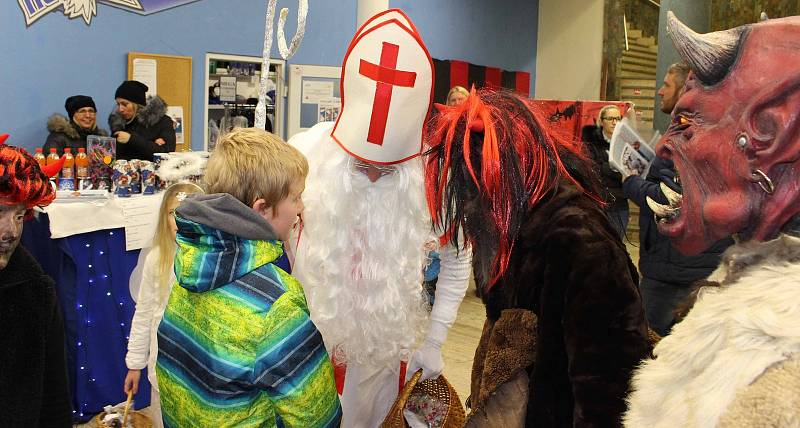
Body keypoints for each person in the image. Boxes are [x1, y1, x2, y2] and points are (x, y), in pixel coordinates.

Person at [289, 9, 471, 427]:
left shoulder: (434, 174)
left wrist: (437, 338)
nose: (372, 174)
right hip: (305, 352)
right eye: (359, 165)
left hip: (390, 359)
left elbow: (459, 258)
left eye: (386, 170)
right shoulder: (304, 153)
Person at [425, 89, 650, 427]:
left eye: (478, 179)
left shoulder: (580, 237)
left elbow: (610, 384)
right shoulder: (508, 225)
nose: (472, 198)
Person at [625, 13, 800, 426]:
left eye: (688, 122)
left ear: (766, 131)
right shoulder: (749, 300)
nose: (665, 147)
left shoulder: (780, 373)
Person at [155, 127, 341, 427]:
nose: (301, 208)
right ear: (262, 208)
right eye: (296, 198)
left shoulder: (192, 265)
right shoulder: (274, 305)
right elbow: (318, 416)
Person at [622, 62, 733, 337]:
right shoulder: (701, 131)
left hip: (676, 276)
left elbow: (671, 199)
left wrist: (631, 182)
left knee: (653, 353)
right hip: (687, 267)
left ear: (686, 90)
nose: (660, 92)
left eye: (667, 85)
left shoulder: (690, 138)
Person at [0, 134, 72, 427]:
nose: (10, 232)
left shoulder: (37, 291)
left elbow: (54, 397)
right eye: (0, 213)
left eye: (19, 216)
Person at [122, 182, 204, 427]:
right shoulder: (157, 259)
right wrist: (135, 364)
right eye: (173, 213)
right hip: (164, 368)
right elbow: (144, 313)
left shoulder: (211, 259)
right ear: (164, 218)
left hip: (201, 369)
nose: (180, 220)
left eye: (189, 213)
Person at [582, 104, 629, 238]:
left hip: (620, 203)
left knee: (618, 242)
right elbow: (592, 169)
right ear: (601, 121)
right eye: (610, 119)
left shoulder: (626, 143)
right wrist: (616, 168)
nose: (615, 122)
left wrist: (608, 167)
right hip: (599, 202)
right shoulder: (590, 143)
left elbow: (630, 170)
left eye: (618, 119)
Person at [108, 80, 176, 161]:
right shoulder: (119, 125)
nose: (120, 109)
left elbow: (167, 153)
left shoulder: (162, 122)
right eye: (118, 104)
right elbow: (113, 156)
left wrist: (132, 139)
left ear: (137, 104)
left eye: (125, 104)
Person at [43, 95, 108, 156]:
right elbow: (51, 165)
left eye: (91, 111)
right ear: (73, 115)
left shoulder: (101, 138)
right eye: (82, 111)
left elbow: (108, 164)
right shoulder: (58, 138)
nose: (88, 115)